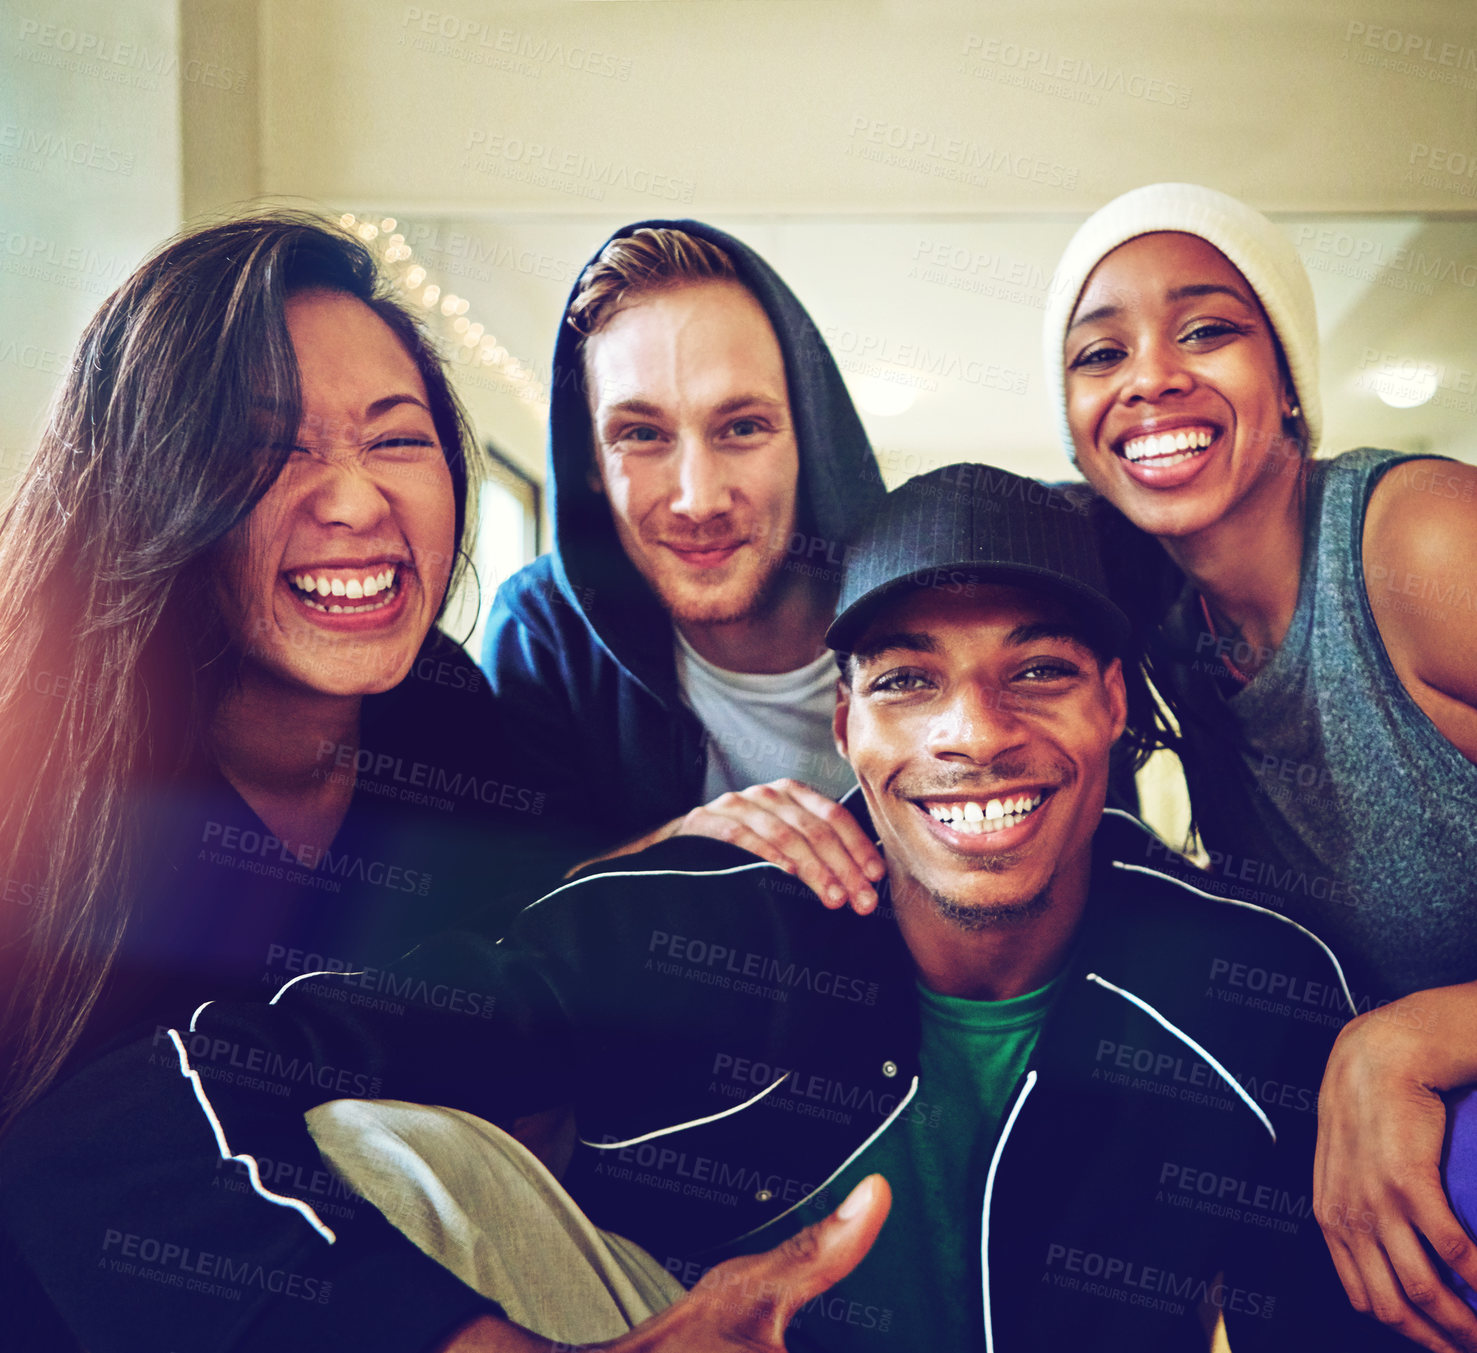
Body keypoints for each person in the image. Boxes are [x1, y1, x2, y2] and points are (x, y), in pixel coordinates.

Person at [11, 466, 1405, 1351]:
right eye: (910, 680)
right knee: (382, 1139)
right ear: (844, 721)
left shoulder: (1247, 978)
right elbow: (123, 1128)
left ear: (1113, 701)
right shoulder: (694, 924)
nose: (970, 734)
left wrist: (1392, 1051)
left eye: (1036, 670)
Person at [0, 212, 546, 1345]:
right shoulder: (40, 784)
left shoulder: (442, 719)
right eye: (272, 448)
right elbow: (86, 1167)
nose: (355, 502)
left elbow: (498, 1029)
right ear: (145, 489)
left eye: (397, 441)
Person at [1041, 181, 1477, 1351]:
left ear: (1287, 381)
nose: (1151, 378)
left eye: (1207, 330)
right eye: (1099, 353)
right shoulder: (1170, 640)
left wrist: (1413, 1035)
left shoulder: (1415, 544)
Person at [480, 221, 891, 910]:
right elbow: (501, 912)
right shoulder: (543, 631)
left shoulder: (930, 599)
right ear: (588, 462)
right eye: (641, 435)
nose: (697, 499)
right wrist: (682, 847)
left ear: (808, 437)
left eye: (741, 428)